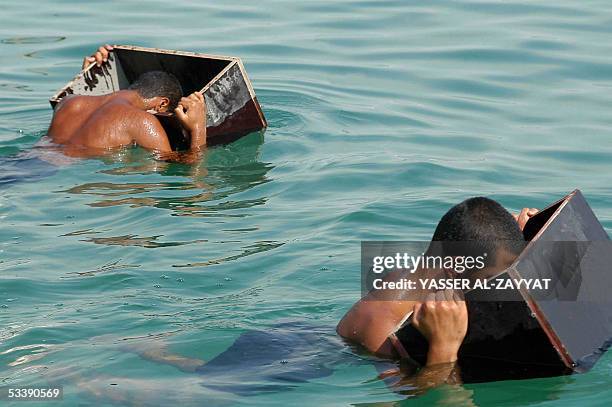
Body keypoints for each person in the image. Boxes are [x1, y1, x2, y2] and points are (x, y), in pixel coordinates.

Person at [336, 198, 538, 388]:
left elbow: (492, 248)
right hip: (318, 363)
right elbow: (408, 399)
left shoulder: (440, 271)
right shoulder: (382, 324)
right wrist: (444, 347)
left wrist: (529, 238)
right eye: (492, 279)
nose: (503, 284)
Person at [47, 45, 206, 156]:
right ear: (162, 104)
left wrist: (88, 77)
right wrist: (198, 128)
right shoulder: (143, 122)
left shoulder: (68, 102)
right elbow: (183, 173)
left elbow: (66, 146)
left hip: (29, 160)